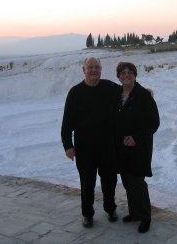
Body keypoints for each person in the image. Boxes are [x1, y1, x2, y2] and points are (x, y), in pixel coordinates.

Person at [61, 56, 119, 228]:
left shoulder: (109, 87)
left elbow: (128, 91)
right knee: (87, 183)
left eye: (97, 67)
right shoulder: (75, 93)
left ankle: (110, 209)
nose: (94, 70)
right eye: (90, 67)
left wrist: (145, 92)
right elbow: (67, 124)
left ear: (101, 69)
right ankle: (87, 214)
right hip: (85, 148)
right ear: (83, 70)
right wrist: (68, 146)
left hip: (108, 146)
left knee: (109, 181)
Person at [113, 62, 160, 233]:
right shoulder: (117, 94)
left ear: (135, 75)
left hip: (138, 148)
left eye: (129, 72)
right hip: (122, 147)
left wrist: (136, 138)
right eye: (122, 72)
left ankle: (145, 217)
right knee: (127, 181)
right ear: (118, 76)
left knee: (137, 183)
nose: (126, 75)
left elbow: (154, 122)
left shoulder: (143, 95)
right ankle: (134, 213)